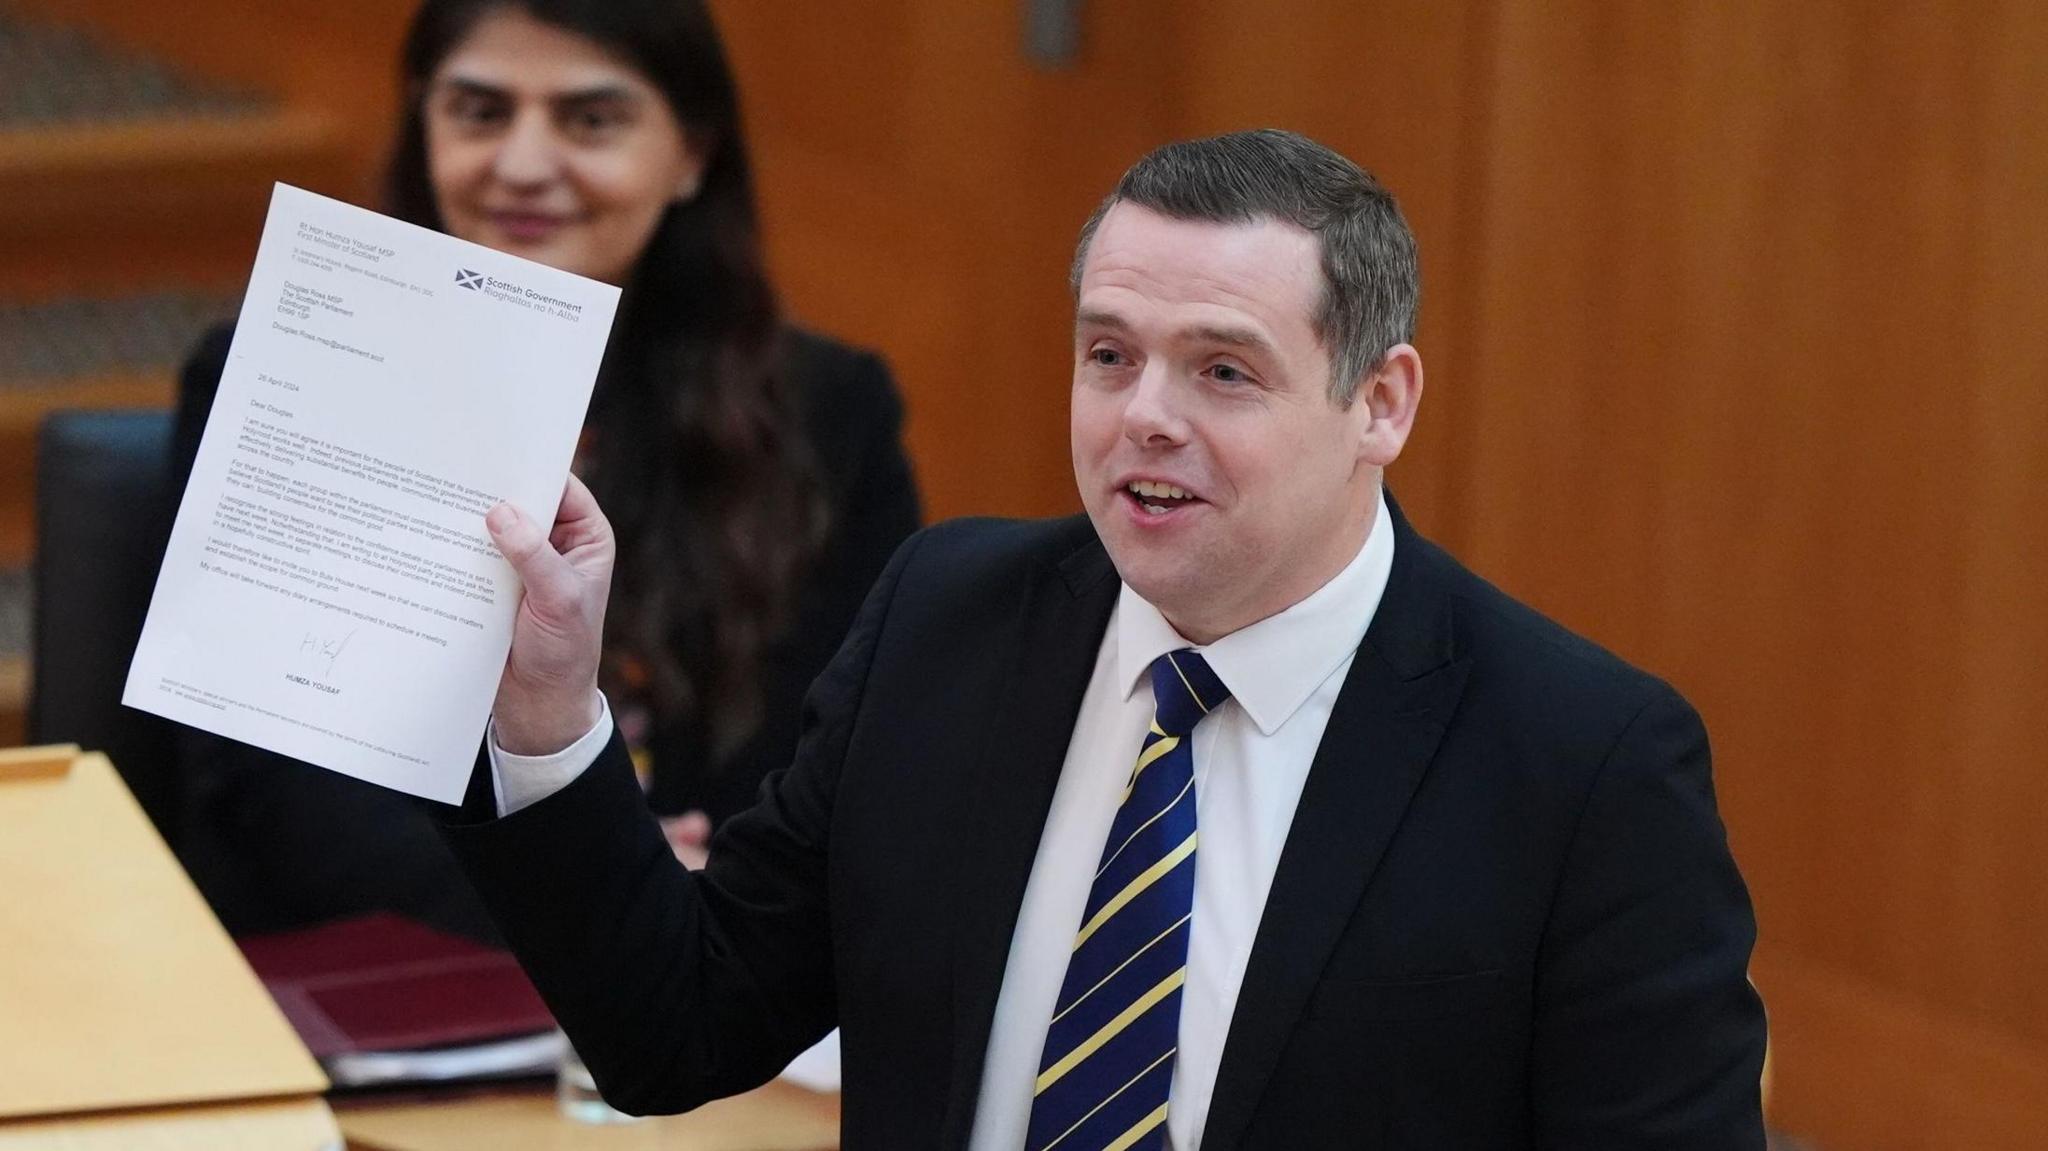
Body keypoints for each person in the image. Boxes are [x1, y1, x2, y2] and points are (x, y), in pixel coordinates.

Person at [451, 129, 1767, 1148]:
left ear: (1380, 400)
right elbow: (676, 1027)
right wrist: (550, 713)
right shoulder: (944, 620)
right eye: (1108, 353)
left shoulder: (1583, 763)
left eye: (1223, 369)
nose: (1144, 416)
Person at [166, 0, 919, 939]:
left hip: (709, 990)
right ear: (423, 125)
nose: (523, 165)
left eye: (590, 120)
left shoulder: (830, 411)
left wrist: (685, 918)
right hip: (371, 976)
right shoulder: (283, 373)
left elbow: (837, 765)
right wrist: (603, 898)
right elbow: (270, 789)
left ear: (690, 154)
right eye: (480, 112)